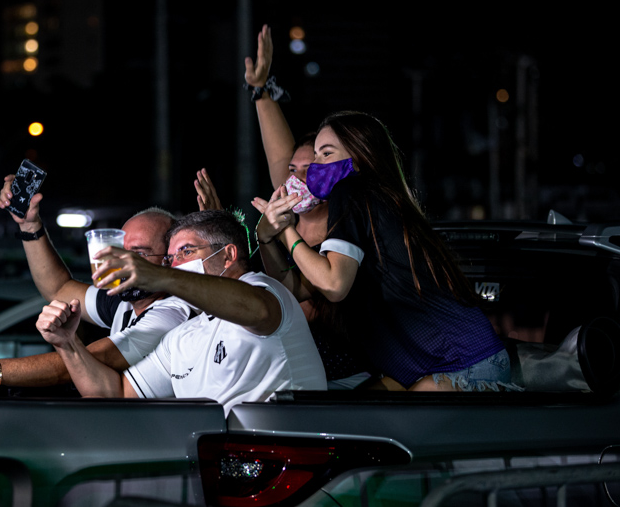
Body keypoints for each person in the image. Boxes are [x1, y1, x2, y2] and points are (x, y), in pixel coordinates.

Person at [254, 111, 515, 392]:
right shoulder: (369, 210)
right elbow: (288, 287)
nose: (316, 166)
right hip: (430, 366)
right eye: (315, 156)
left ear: (359, 155)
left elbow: (333, 284)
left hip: (463, 362)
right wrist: (266, 239)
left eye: (326, 154)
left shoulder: (352, 190)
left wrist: (285, 231)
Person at [35, 210, 327, 415]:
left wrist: (160, 277)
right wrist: (67, 344)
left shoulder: (266, 291)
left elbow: (256, 310)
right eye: (171, 258)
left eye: (187, 251)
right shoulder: (185, 336)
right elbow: (114, 392)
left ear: (228, 254)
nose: (175, 264)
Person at [0, 175, 194, 387]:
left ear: (169, 260)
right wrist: (30, 226)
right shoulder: (126, 301)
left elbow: (84, 361)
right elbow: (58, 288)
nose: (123, 260)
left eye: (138, 253)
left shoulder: (172, 313)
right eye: (120, 249)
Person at [244, 25, 365, 387]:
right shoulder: (288, 210)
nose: (295, 179)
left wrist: (275, 236)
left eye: (311, 168)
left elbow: (298, 290)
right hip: (287, 363)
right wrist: (260, 90)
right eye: (291, 171)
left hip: (342, 371)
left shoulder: (345, 222)